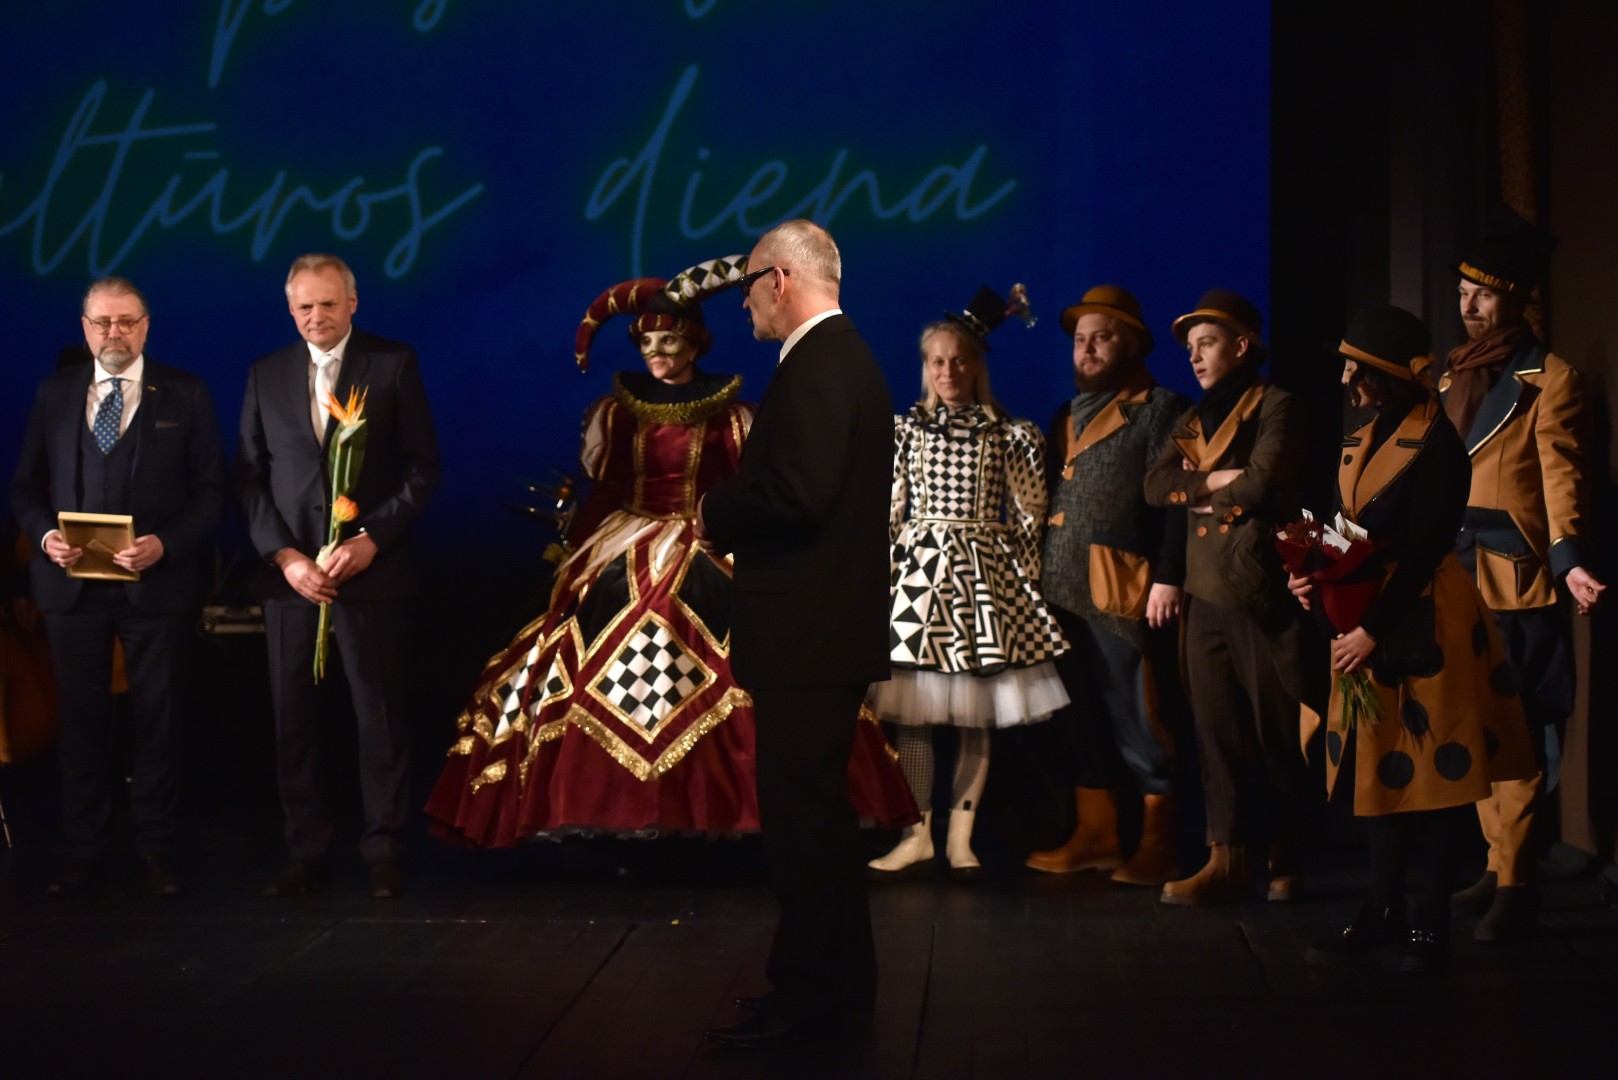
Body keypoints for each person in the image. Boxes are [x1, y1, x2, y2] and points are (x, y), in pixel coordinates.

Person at [424, 258, 916, 844]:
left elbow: (751, 490)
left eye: (670, 341)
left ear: (694, 344)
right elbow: (607, 489)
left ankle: (723, 801)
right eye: (648, 343)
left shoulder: (732, 416)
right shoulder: (616, 414)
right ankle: (608, 798)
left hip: (707, 537)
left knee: (730, 636)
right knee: (596, 622)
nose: (657, 353)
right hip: (628, 535)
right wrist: (574, 553)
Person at [697, 220, 892, 1047]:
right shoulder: (838, 358)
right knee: (817, 819)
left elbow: (798, 493)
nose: (743, 304)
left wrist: (715, 508)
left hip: (808, 630)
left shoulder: (819, 365)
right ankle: (829, 988)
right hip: (820, 627)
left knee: (803, 823)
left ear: (779, 279)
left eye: (748, 286)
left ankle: (811, 1001)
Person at [1294, 305, 1535, 973]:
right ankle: (1384, 912)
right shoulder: (1362, 437)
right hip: (1364, 612)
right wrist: (1310, 571)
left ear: (1388, 374)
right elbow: (1347, 528)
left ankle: (1430, 926)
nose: (1347, 379)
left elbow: (1426, 550)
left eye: (1358, 368)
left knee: (1435, 778)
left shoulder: (1438, 446)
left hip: (1422, 618)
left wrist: (1370, 629)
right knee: (1378, 772)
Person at [236, 253, 441, 899]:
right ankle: (306, 851)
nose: (316, 316)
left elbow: (422, 468)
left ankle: (383, 850)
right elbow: (249, 478)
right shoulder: (266, 373)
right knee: (294, 723)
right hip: (292, 584)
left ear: (353, 303)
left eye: (328, 303)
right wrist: (286, 557)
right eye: (304, 306)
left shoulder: (392, 363)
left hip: (370, 577)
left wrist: (371, 539)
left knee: (379, 720)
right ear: (290, 309)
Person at [11, 276, 224, 895]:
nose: (115, 333)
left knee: (157, 721)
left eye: (127, 321)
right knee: (81, 725)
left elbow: (211, 492)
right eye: (103, 322)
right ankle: (84, 852)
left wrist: (165, 544)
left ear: (146, 327)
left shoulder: (185, 393)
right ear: (85, 328)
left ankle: (155, 849)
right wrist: (44, 536)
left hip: (154, 589)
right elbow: (25, 486)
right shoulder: (54, 393)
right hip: (70, 590)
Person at [867, 285, 1068, 879]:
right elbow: (891, 510)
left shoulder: (1011, 435)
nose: (948, 371)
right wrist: (882, 575)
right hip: (919, 577)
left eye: (958, 360)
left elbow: (1030, 513)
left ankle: (961, 837)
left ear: (976, 365)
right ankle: (916, 834)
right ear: (925, 368)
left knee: (977, 713)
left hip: (983, 577)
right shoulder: (905, 431)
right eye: (937, 361)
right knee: (915, 713)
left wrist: (1024, 585)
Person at [1441, 221, 1605, 941]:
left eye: (1483, 295)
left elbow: (1561, 476)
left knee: (1519, 726)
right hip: (1455, 572)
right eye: (1462, 293)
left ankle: (1517, 879)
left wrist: (1569, 560)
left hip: (1513, 577)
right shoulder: (1449, 375)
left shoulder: (1552, 378)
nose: (1468, 307)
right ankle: (1497, 859)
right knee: (1475, 724)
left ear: (1515, 299)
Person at [1143, 289, 1317, 906]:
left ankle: (1288, 856)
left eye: (1207, 343)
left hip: (1260, 589)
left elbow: (1265, 484)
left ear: (1242, 346)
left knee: (1277, 733)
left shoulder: (1277, 404)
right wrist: (1217, 481)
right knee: (1216, 733)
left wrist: (1199, 491)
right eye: (1191, 347)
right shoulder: (1194, 418)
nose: (1195, 357)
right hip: (1204, 593)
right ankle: (1227, 858)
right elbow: (1155, 485)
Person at [1024, 286, 1190, 888]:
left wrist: (1168, 575)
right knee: (1080, 719)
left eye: (1103, 337)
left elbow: (1176, 503)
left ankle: (1160, 841)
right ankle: (1096, 835)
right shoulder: (1066, 414)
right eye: (1080, 339)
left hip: (1121, 589)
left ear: (1134, 343)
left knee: (1139, 716)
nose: (1088, 349)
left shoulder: (1162, 408)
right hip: (1059, 588)